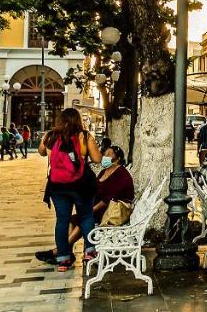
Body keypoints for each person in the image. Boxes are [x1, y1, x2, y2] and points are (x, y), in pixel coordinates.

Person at [35, 144, 135, 263]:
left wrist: (91, 209)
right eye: (105, 154)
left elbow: (108, 198)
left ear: (117, 158)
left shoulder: (120, 173)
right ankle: (67, 253)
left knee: (83, 220)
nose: (105, 157)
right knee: (75, 219)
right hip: (100, 209)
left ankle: (60, 251)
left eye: (109, 155)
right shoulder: (104, 171)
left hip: (111, 211)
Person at [39, 107, 101, 270]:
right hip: (81, 185)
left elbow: (41, 152)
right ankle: (90, 252)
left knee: (62, 220)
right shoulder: (85, 136)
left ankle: (63, 258)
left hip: (58, 186)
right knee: (86, 216)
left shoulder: (50, 136)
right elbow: (97, 159)